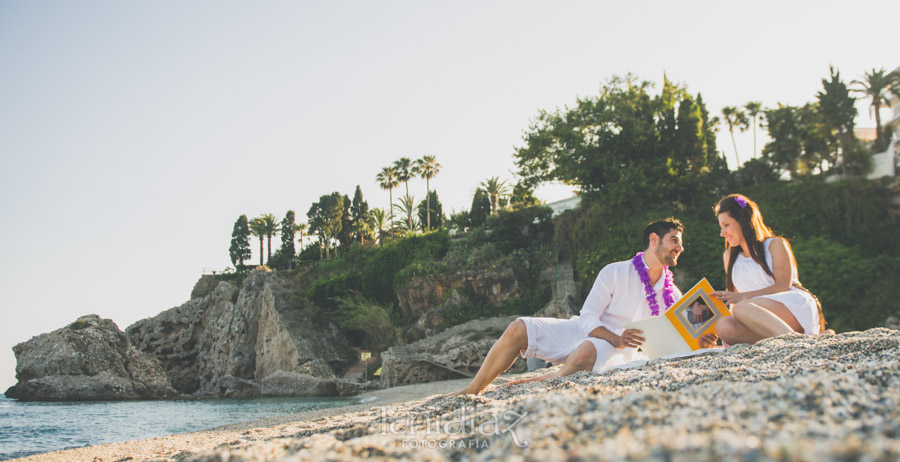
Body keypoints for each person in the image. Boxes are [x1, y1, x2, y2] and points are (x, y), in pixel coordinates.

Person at [456, 218, 716, 395]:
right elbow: (588, 316)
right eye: (674, 240)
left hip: (618, 353)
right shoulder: (615, 271)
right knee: (518, 328)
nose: (680, 247)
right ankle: (472, 390)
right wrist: (616, 337)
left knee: (585, 352)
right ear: (653, 239)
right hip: (588, 331)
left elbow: (676, 338)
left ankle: (542, 379)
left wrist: (700, 341)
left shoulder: (674, 295)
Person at [711, 194, 827, 344]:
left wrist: (744, 298)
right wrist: (727, 341)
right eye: (721, 227)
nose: (722, 233)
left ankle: (794, 341)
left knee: (742, 308)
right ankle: (795, 337)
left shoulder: (774, 244)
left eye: (726, 225)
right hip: (755, 314)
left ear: (743, 221)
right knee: (724, 326)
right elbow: (736, 299)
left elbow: (783, 285)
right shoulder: (729, 256)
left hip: (791, 305)